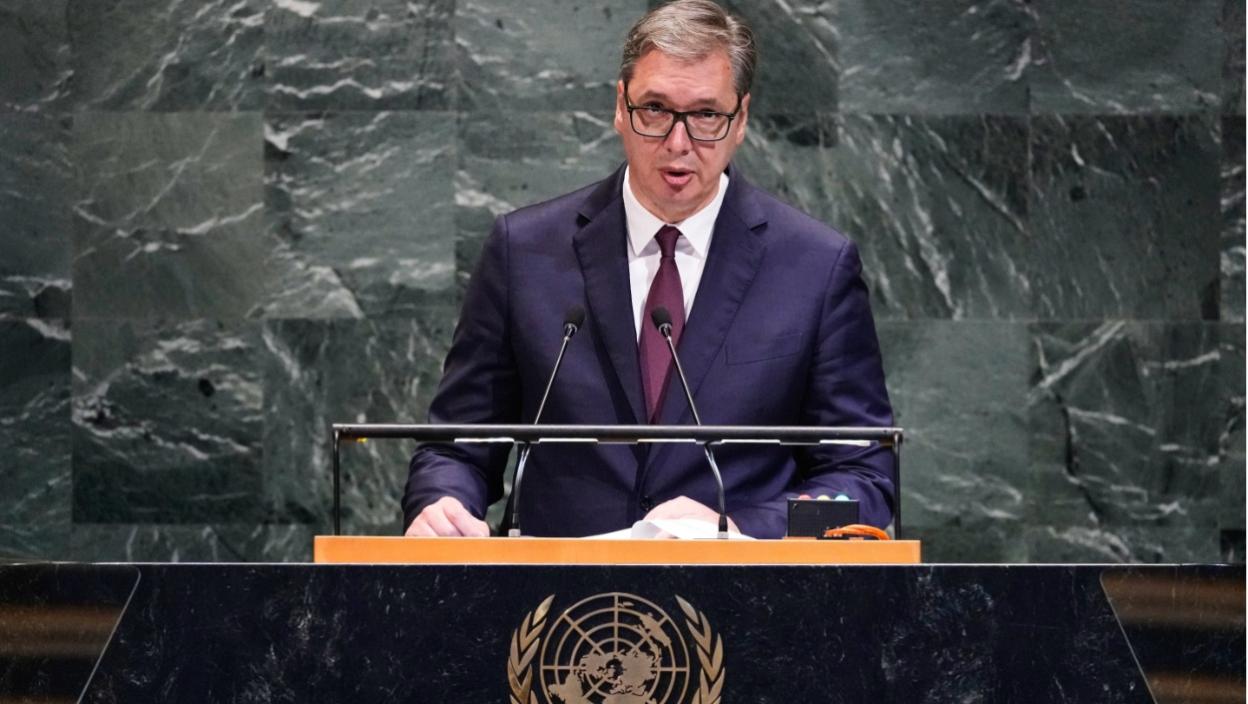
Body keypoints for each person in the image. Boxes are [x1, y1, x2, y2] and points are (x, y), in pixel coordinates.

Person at [402, 0, 894, 539]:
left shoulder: (815, 268)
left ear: (741, 120)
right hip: (556, 587)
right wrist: (442, 503)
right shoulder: (524, 252)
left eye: (706, 115)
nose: (678, 143)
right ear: (621, 106)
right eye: (656, 109)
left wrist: (736, 529)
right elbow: (457, 447)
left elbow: (863, 482)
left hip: (740, 587)